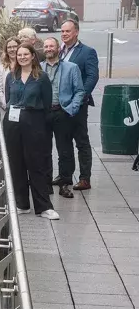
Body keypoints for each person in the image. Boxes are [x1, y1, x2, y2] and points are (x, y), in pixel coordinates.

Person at [5, 43, 59, 219]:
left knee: (36, 165)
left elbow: (47, 105)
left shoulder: (41, 77)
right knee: (16, 164)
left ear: (32, 55)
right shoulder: (11, 76)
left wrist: (42, 129)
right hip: (13, 125)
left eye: (25, 54)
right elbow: (8, 99)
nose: (22, 57)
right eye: (19, 54)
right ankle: (22, 203)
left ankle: (43, 206)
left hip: (34, 123)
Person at [42, 36, 86, 199]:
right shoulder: (38, 68)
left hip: (63, 112)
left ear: (58, 48)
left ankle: (65, 183)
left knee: (65, 150)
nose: (48, 49)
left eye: (51, 46)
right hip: (44, 114)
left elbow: (79, 90)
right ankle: (46, 184)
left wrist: (72, 109)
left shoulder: (71, 67)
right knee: (44, 150)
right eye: (46, 46)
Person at [59, 19, 99, 190]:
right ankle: (65, 175)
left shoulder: (87, 52)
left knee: (81, 142)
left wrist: (81, 96)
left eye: (67, 31)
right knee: (63, 143)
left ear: (76, 32)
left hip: (78, 106)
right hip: (60, 105)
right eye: (62, 31)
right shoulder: (59, 51)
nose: (64, 34)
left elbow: (92, 76)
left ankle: (85, 178)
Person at [0, 37, 20, 113]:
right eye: (9, 47)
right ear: (6, 50)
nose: (12, 49)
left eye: (15, 46)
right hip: (6, 108)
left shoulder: (25, 65)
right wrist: (5, 105)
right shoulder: (1, 67)